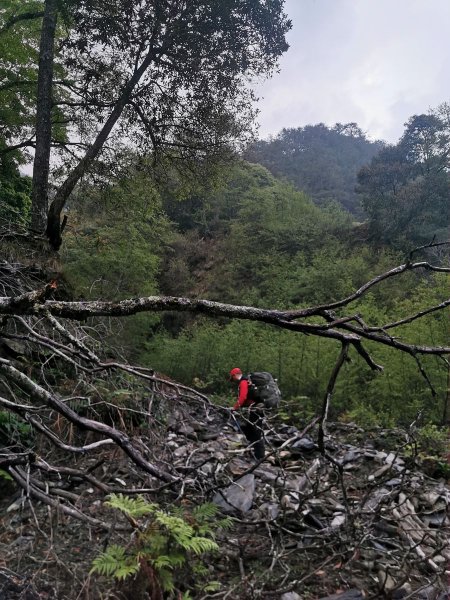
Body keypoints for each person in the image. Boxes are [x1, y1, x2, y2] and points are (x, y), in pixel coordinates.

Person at [229, 367, 265, 460]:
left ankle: (260, 456)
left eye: (232, 378)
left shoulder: (243, 382)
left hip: (256, 409)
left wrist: (235, 408)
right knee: (250, 429)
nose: (233, 380)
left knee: (256, 431)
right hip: (255, 408)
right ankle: (252, 450)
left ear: (235, 375)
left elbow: (243, 397)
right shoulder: (247, 381)